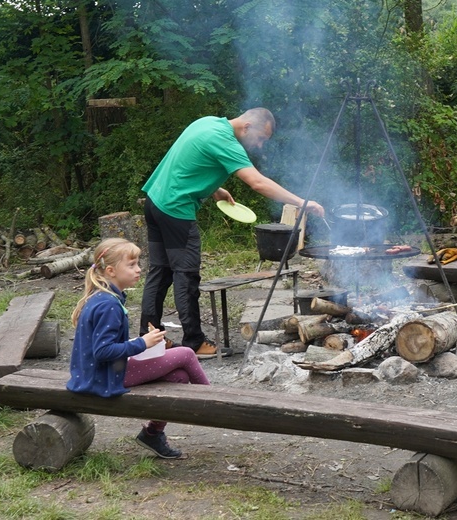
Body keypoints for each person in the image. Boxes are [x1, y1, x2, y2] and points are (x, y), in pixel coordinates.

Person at [138, 107, 324, 359]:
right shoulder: (226, 141)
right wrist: (301, 202)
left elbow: (189, 161)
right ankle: (193, 341)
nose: (258, 146)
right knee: (186, 275)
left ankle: (148, 337)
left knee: (160, 273)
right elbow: (257, 182)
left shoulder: (208, 123)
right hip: (176, 210)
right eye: (260, 138)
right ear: (247, 127)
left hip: (155, 201)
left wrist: (215, 188)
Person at [68, 238, 210, 459]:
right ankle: (213, 403)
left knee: (180, 376)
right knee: (186, 353)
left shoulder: (106, 297)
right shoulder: (109, 305)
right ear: (111, 270)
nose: (139, 269)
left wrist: (143, 343)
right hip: (103, 378)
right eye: (132, 265)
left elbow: (107, 345)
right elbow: (103, 351)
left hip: (97, 373)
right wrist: (142, 343)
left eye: (138, 264)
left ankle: (152, 433)